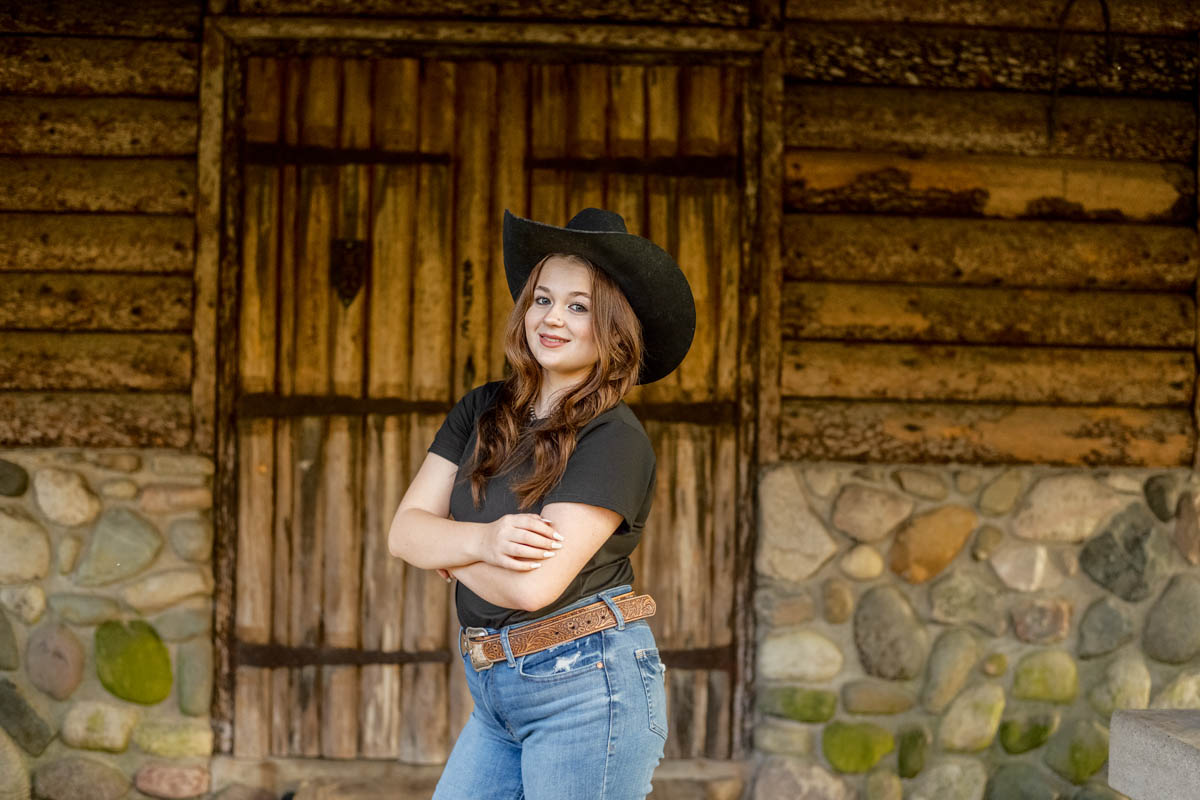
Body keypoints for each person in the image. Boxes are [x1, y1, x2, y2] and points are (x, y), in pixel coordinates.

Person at [387, 207, 696, 800]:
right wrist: (483, 542)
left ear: (612, 328)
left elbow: (532, 588)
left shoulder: (614, 439)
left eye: (578, 307)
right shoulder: (482, 407)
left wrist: (445, 552)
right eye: (543, 299)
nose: (552, 319)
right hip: (495, 690)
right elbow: (403, 533)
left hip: (587, 688)